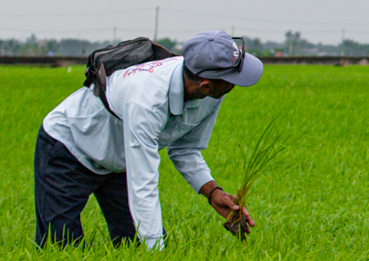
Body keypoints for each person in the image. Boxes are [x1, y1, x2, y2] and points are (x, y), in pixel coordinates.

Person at [34, 30, 263, 249]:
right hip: (70, 148)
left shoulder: (211, 92)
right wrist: (157, 257)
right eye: (233, 79)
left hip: (120, 159)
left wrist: (213, 192)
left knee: (133, 247)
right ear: (206, 85)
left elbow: (185, 149)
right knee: (61, 248)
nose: (236, 84)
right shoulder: (147, 99)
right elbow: (143, 184)